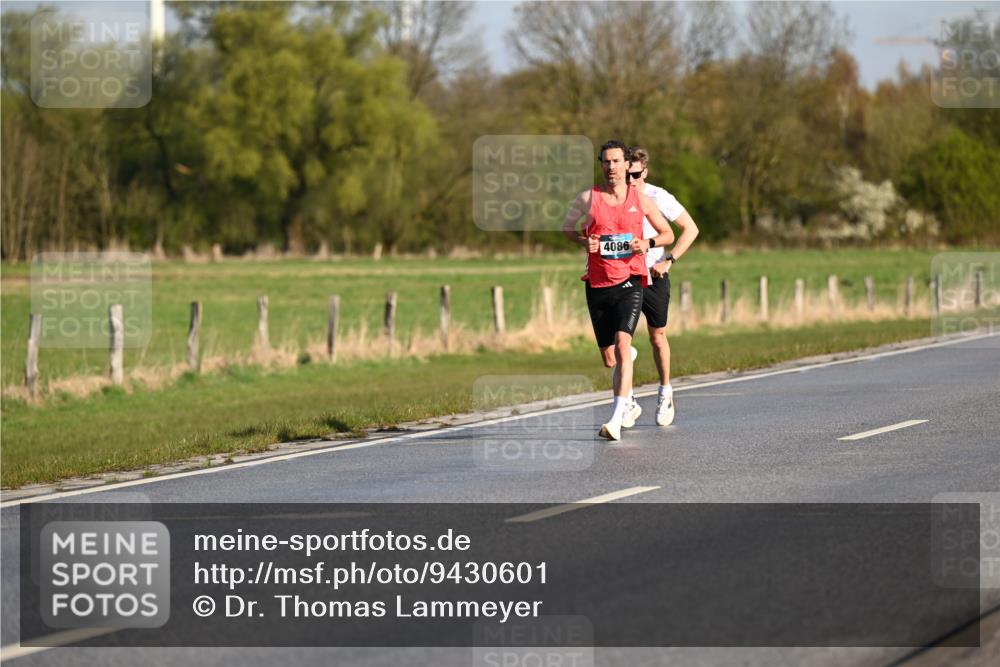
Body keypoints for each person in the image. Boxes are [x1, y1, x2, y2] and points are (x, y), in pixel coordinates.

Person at [562, 140, 675, 441]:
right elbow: (567, 227)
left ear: (627, 165)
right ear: (601, 165)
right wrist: (583, 241)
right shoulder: (589, 198)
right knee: (610, 358)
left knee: (623, 343)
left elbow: (668, 233)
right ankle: (627, 362)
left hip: (631, 281)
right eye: (606, 162)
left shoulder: (642, 200)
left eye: (616, 162)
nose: (611, 168)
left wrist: (647, 244)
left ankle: (615, 420)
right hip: (598, 283)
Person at [626, 147, 699, 426]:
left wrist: (669, 261)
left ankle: (665, 390)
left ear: (644, 171)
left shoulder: (659, 196)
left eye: (635, 174)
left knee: (657, 337)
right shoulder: (615, 197)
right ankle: (628, 400)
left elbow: (690, 229)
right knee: (622, 341)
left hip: (654, 275)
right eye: (626, 174)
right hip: (625, 276)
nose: (630, 180)